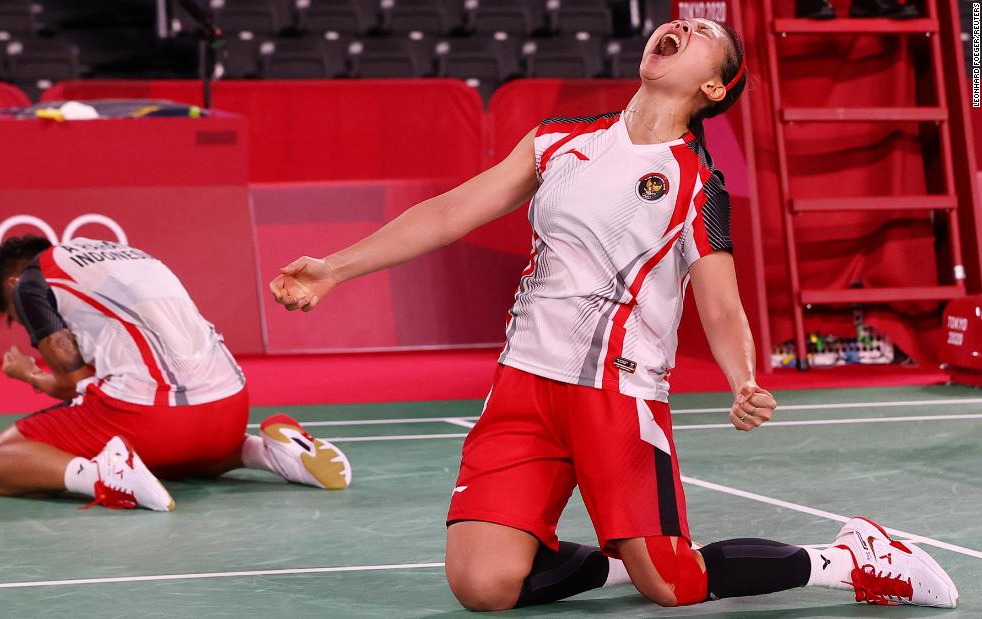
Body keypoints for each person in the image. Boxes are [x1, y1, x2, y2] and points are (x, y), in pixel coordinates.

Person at [269, 17, 957, 610]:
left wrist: (742, 378)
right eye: (682, 25)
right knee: (482, 582)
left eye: (705, 39)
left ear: (712, 88)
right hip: (522, 387)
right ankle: (628, 557)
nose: (684, 29)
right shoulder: (558, 141)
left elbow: (720, 302)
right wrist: (335, 267)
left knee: (676, 582)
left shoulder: (696, 185)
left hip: (618, 394)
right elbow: (450, 211)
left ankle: (852, 557)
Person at [0, 235, 351, 511]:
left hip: (155, 419)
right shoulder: (126, 255)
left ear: (12, 284)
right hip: (228, 411)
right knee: (175, 452)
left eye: (17, 317)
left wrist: (29, 375)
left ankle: (107, 477)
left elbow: (75, 383)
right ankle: (265, 453)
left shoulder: (31, 282)